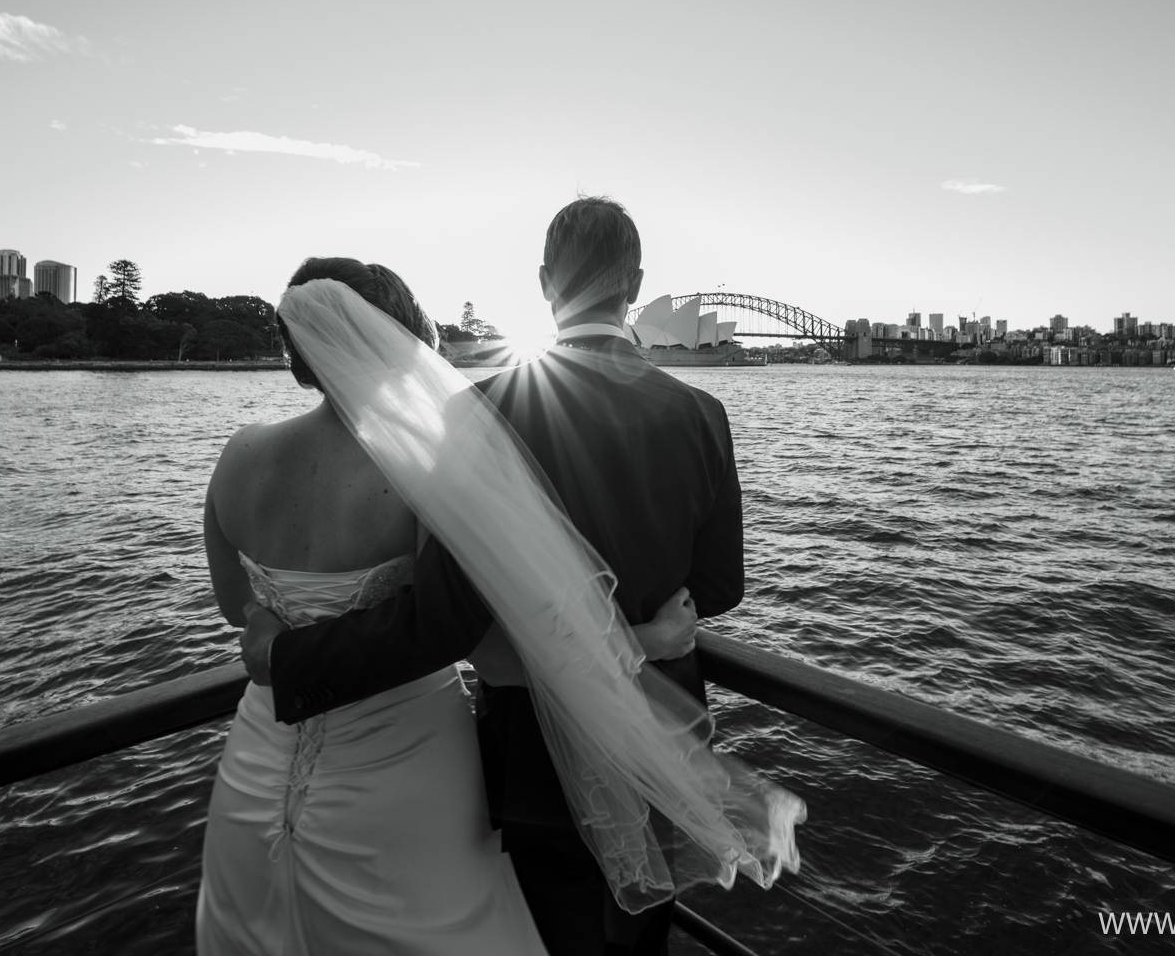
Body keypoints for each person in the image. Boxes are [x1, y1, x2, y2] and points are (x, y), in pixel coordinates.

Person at [244, 198, 798, 956]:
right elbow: (722, 587)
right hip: (658, 736)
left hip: (530, 754)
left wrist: (287, 661)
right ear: (635, 283)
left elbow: (442, 621)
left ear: (544, 284)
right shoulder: (700, 414)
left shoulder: (482, 408)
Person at [196, 257, 546, 955]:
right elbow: (484, 647)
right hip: (405, 777)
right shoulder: (424, 470)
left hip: (254, 770)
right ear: (400, 339)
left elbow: (239, 611)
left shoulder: (240, 456)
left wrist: (274, 628)